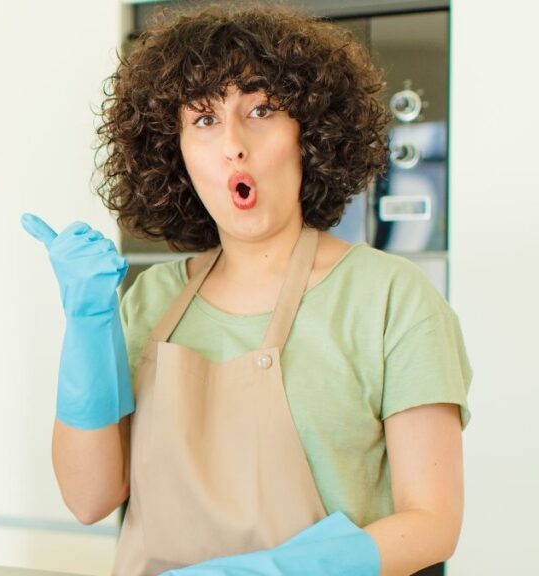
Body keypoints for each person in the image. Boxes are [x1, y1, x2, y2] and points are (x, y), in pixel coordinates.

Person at [23, 5, 471, 576]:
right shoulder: (152, 300)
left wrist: (273, 572)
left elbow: (433, 521)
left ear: (309, 132)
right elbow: (90, 498)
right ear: (177, 154)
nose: (233, 144)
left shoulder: (389, 299)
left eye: (260, 110)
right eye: (204, 120)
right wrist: (87, 321)